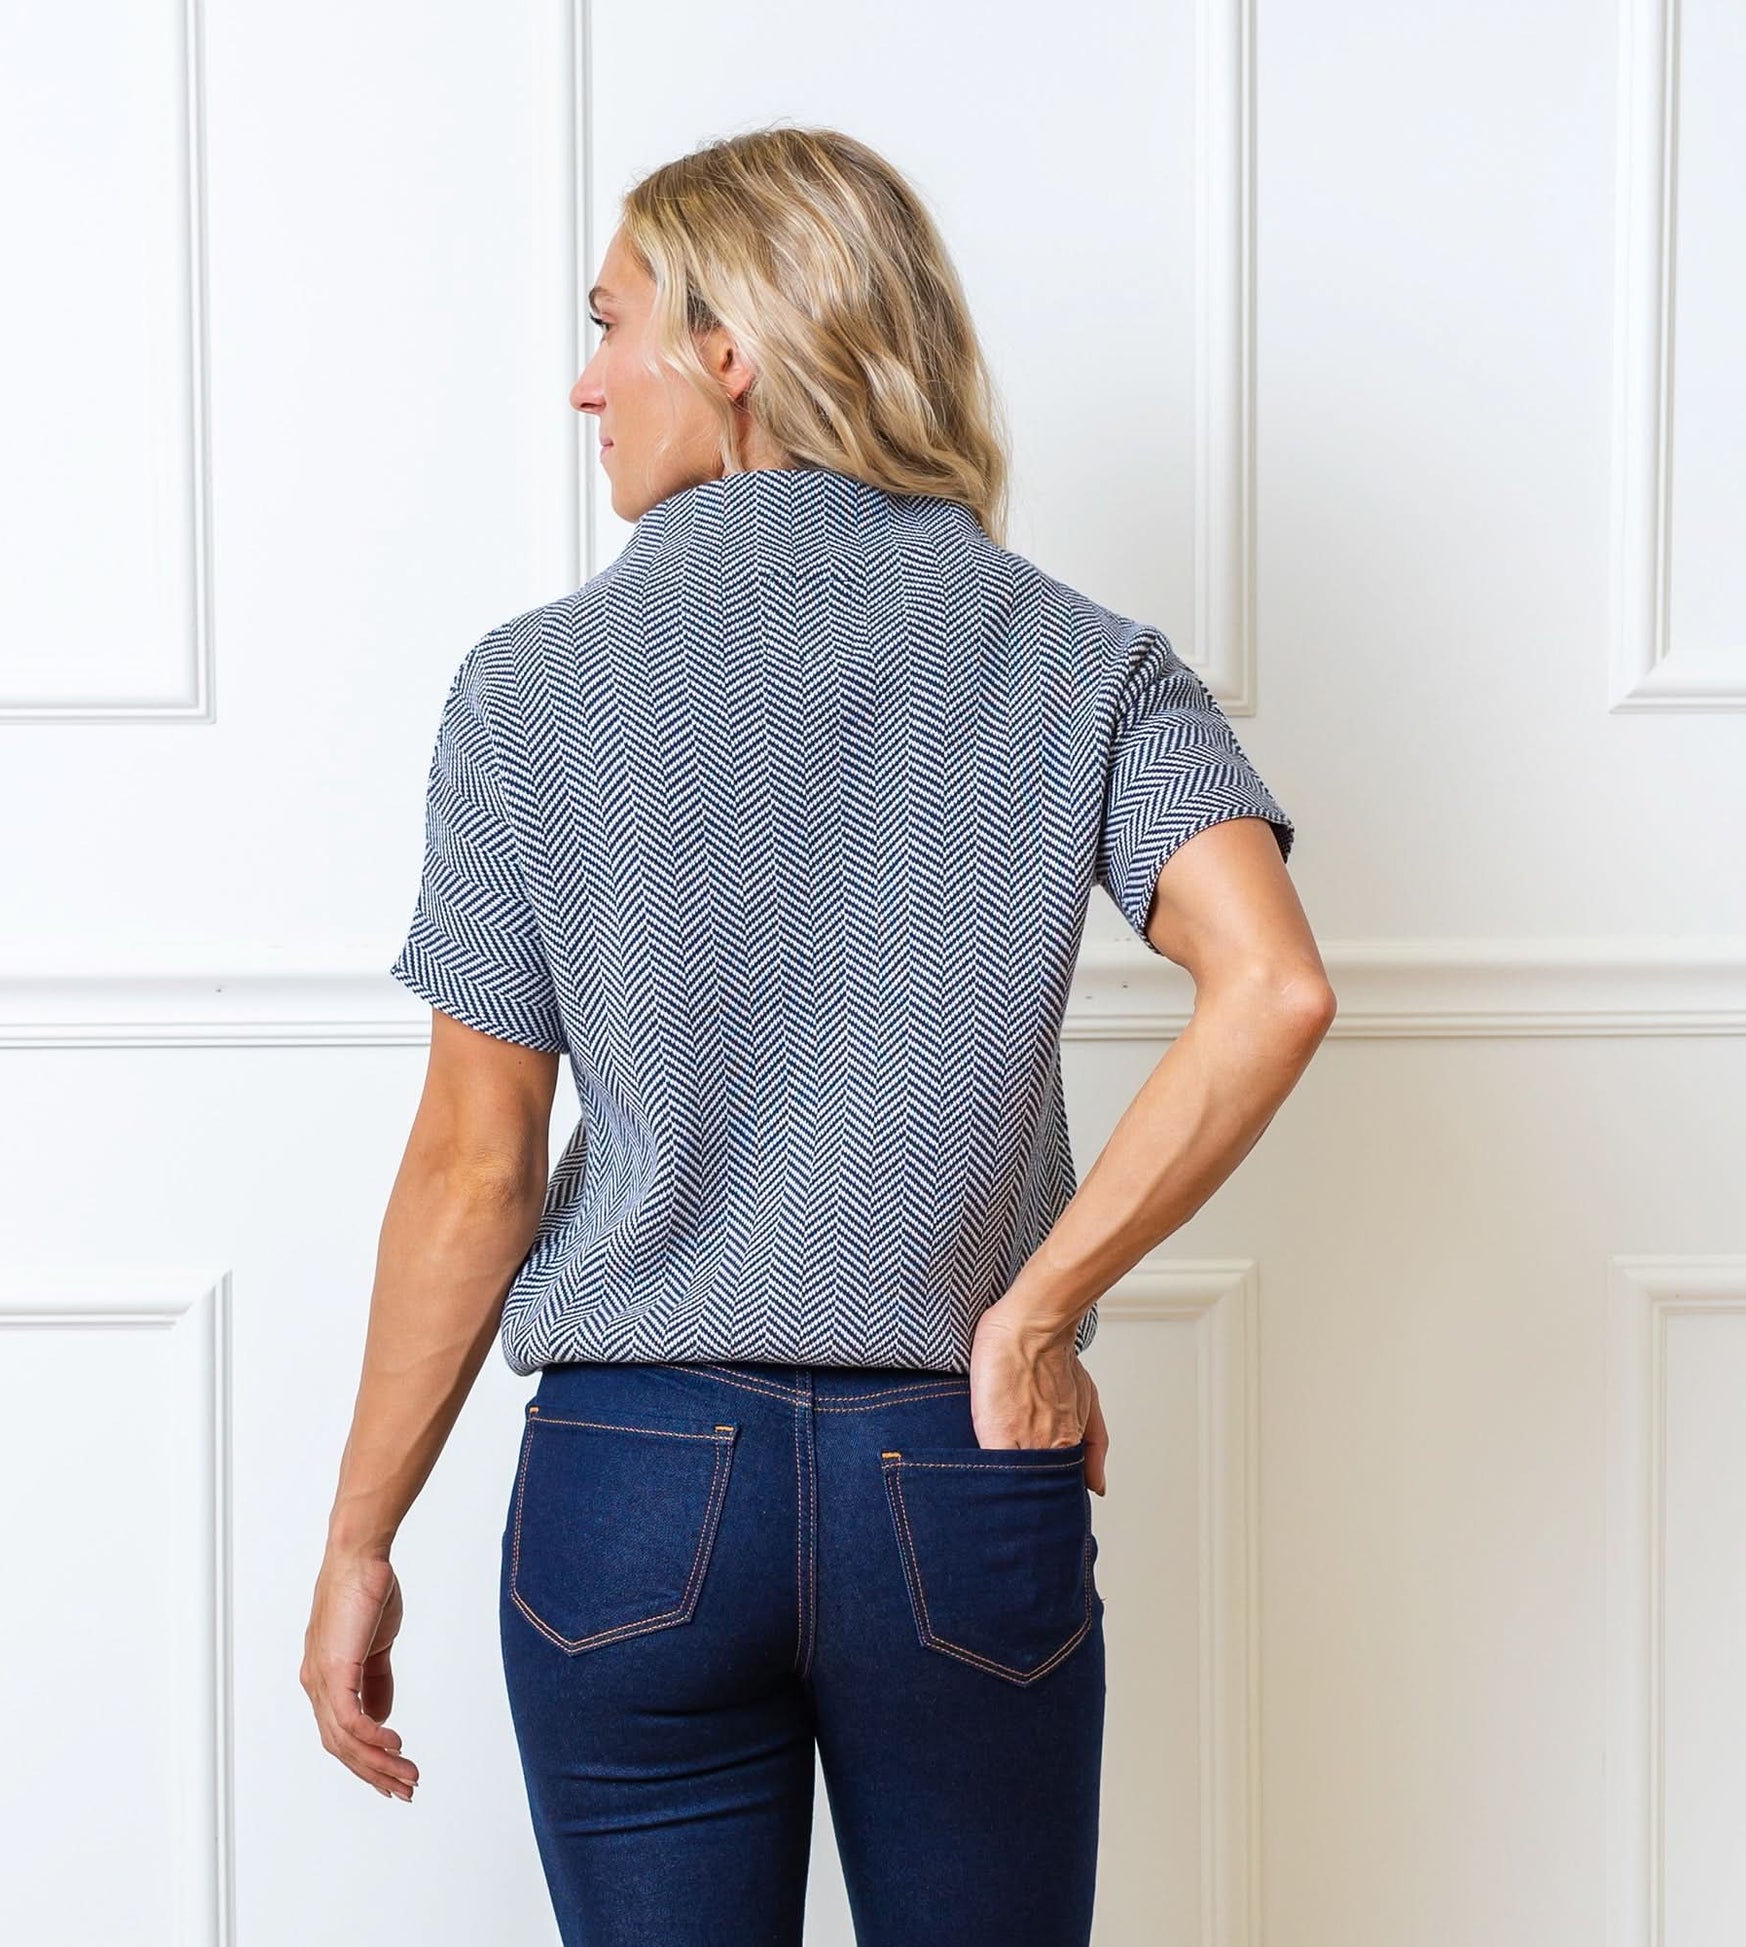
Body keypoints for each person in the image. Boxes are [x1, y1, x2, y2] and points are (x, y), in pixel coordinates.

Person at [302, 124, 1334, 1946]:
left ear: (730, 350)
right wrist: (1034, 1311)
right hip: (955, 1470)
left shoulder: (526, 692)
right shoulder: (1080, 660)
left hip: (632, 1488)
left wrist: (359, 1539)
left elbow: (475, 1169)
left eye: (610, 323)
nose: (583, 383)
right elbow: (1272, 983)